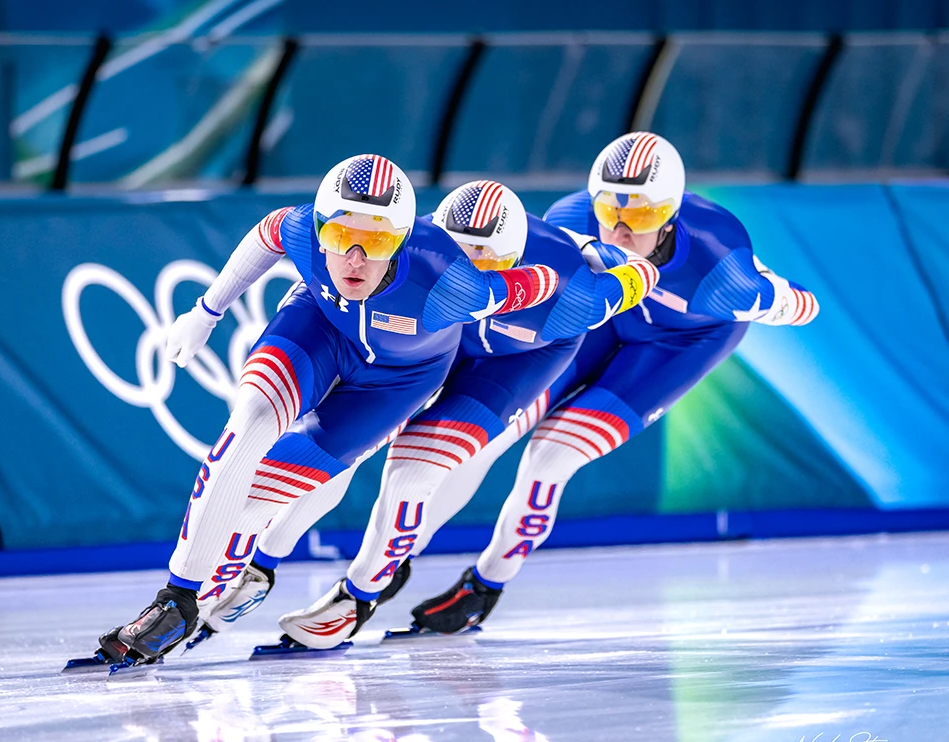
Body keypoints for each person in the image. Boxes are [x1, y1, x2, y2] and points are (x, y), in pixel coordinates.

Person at [84, 155, 569, 668]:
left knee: (342, 480)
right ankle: (179, 599)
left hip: (402, 376)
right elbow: (264, 235)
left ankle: (342, 586)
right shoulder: (301, 230)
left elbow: (549, 285)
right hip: (321, 329)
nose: (355, 259)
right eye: (339, 237)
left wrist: (625, 278)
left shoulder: (457, 284)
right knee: (247, 426)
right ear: (319, 230)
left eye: (376, 242)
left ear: (402, 240)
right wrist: (205, 311)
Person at [191, 180, 659, 650]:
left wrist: (600, 252)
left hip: (515, 361)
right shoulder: (418, 255)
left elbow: (642, 277)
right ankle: (263, 561)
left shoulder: (571, 297)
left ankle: (360, 595)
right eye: (460, 262)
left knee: (412, 471)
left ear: (512, 265)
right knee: (344, 443)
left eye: (488, 267)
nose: (472, 282)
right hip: (427, 344)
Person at [403, 131, 821, 633]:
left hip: (678, 346)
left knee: (553, 455)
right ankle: (398, 554)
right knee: (486, 436)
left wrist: (774, 296)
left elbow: (802, 306)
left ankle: (487, 582)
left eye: (640, 215)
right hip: (602, 323)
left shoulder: (720, 266)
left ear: (670, 214)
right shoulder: (570, 221)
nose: (620, 232)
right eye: (609, 211)